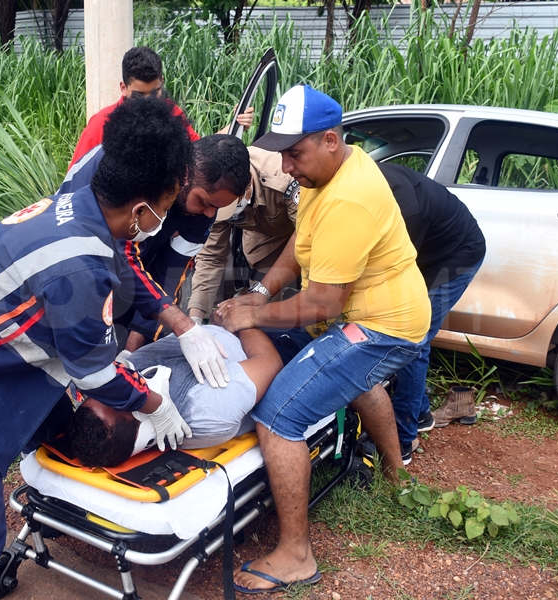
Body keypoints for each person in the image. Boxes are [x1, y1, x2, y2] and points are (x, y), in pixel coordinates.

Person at [0, 97, 196, 600]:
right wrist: (154, 403)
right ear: (140, 209)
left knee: (48, 428)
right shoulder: (80, 263)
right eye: (169, 202)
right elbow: (93, 374)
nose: (167, 215)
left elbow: (102, 307)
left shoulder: (83, 201)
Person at [215, 84, 430, 593]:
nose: (287, 166)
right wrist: (259, 291)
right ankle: (397, 474)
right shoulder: (323, 177)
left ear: (331, 140)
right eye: (283, 154)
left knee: (280, 418)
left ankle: (296, 554)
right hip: (374, 312)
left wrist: (257, 315)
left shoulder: (350, 198)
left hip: (382, 325)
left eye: (295, 153)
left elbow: (322, 305)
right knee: (349, 377)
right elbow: (297, 245)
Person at [60, 135, 253, 383]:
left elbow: (168, 275)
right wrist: (182, 324)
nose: (209, 214)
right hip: (77, 259)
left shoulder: (204, 213)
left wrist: (132, 353)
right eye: (204, 202)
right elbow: (119, 257)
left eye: (217, 207)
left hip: (134, 279)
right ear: (184, 175)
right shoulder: (132, 174)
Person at [379, 163, 486, 462]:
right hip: (428, 252)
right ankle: (422, 413)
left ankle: (403, 439)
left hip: (456, 256)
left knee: (411, 339)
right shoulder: (361, 183)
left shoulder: (408, 211)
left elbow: (394, 273)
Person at [69, 325, 282, 467]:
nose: (117, 390)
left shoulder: (124, 377)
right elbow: (271, 361)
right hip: (263, 337)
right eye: (119, 400)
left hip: (212, 325)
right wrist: (245, 320)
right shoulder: (205, 408)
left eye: (106, 393)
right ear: (142, 426)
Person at [68, 45, 253, 170]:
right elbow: (75, 176)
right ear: (123, 88)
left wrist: (236, 124)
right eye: (139, 95)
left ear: (162, 83)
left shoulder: (172, 112)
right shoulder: (102, 122)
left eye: (155, 92)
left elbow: (198, 150)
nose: (148, 102)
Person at [186, 146, 300, 322]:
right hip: (264, 239)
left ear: (248, 183)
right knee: (259, 315)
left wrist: (262, 292)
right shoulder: (214, 195)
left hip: (300, 229)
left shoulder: (285, 180)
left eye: (230, 206)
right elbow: (211, 257)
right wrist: (195, 317)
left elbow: (305, 239)